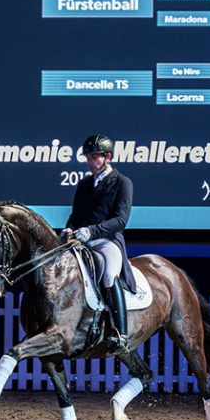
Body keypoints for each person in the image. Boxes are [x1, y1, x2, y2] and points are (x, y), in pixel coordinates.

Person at [62, 134, 136, 354]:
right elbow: (76, 215)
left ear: (107, 157)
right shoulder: (84, 184)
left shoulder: (122, 183)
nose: (90, 161)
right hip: (81, 239)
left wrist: (91, 231)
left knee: (109, 273)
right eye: (88, 157)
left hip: (107, 241)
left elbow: (121, 220)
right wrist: (69, 228)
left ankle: (120, 333)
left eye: (95, 157)